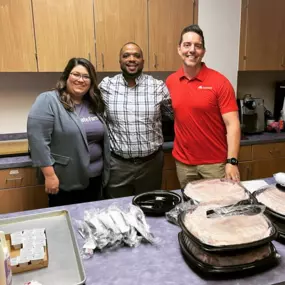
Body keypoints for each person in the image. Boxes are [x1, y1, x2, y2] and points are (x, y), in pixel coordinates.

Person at [27, 58, 110, 207]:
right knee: (69, 222)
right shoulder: (48, 100)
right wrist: (50, 176)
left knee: (90, 221)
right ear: (66, 76)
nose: (80, 80)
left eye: (86, 76)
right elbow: (38, 141)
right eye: (76, 74)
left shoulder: (92, 102)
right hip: (65, 179)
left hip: (95, 177)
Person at [166, 25, 241, 189]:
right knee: (191, 209)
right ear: (179, 49)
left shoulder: (220, 82)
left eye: (197, 46)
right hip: (183, 164)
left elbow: (232, 124)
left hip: (214, 165)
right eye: (187, 45)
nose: (191, 50)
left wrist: (232, 161)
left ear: (203, 51)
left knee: (219, 209)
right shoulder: (171, 81)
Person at [99, 42, 173, 198]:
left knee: (150, 208)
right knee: (117, 209)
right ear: (120, 61)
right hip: (118, 166)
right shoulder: (106, 86)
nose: (131, 59)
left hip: (151, 165)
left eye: (136, 55)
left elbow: (173, 115)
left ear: (143, 61)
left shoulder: (158, 87)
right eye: (126, 55)